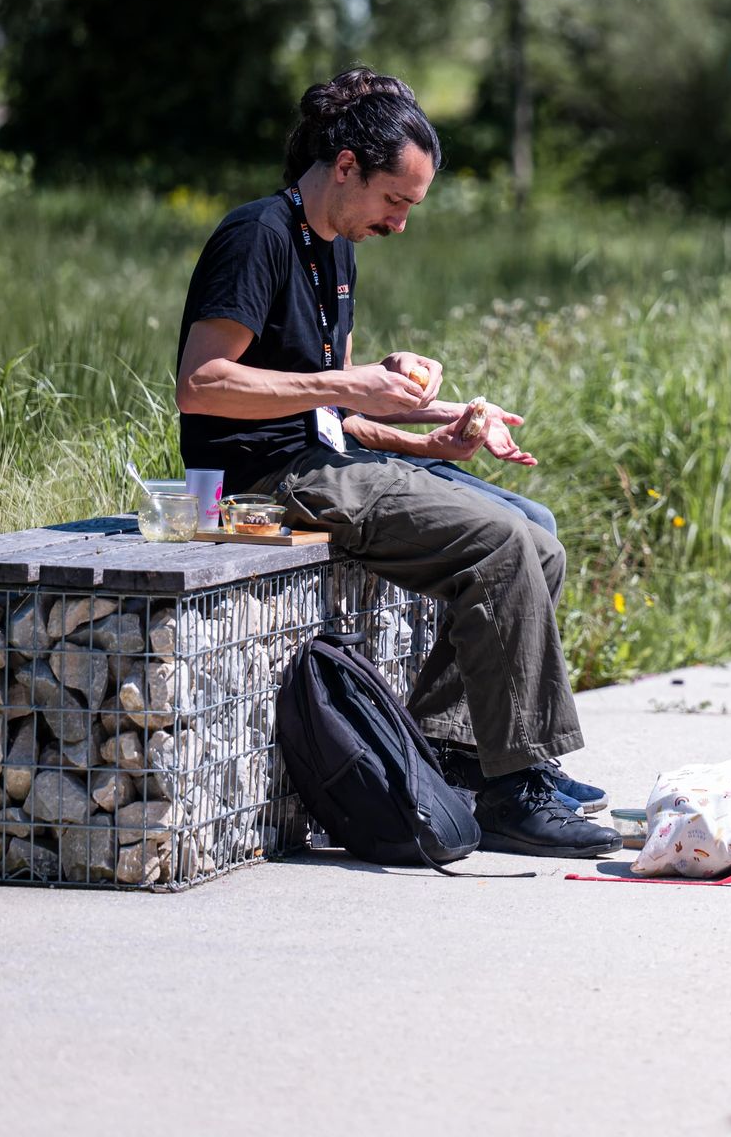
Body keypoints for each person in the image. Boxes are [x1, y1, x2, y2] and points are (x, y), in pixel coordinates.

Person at [174, 68, 617, 858]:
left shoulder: (337, 248)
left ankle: (463, 755)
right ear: (346, 166)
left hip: (321, 458)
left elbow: (334, 409)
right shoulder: (257, 237)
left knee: (537, 529)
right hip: (260, 483)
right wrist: (352, 383)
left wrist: (434, 429)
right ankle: (513, 790)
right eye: (395, 201)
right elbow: (201, 385)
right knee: (501, 544)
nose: (401, 223)